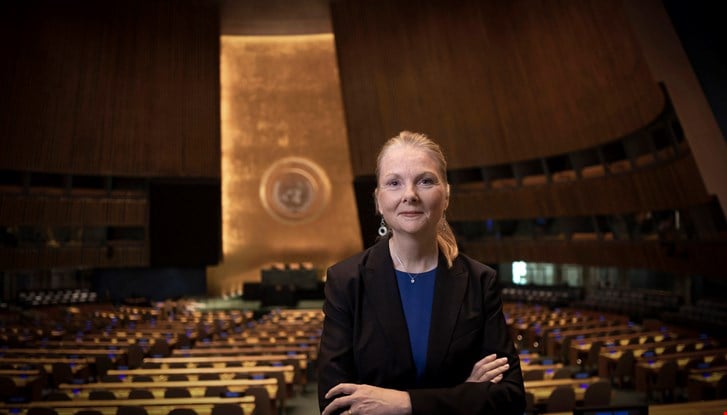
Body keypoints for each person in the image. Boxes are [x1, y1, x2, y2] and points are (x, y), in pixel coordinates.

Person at [317, 131, 526, 415]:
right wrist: (464, 392)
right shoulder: (346, 280)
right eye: (394, 183)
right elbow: (335, 404)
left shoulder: (480, 281)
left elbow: (509, 398)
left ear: (447, 195)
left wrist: (405, 404)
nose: (410, 195)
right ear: (378, 200)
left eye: (425, 181)